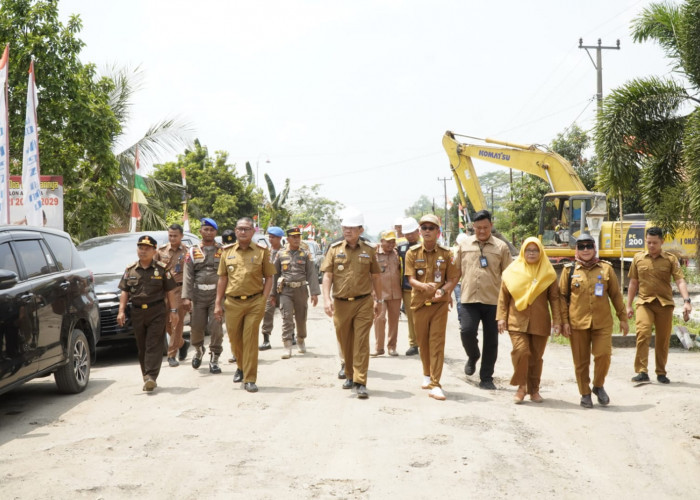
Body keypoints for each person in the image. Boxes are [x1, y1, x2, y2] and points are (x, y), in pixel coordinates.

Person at [559, 233, 629, 408]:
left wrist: (623, 318)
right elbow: (561, 298)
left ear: (594, 248)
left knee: (603, 355)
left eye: (589, 246)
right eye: (581, 246)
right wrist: (564, 322)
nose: (585, 250)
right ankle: (585, 393)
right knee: (581, 361)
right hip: (577, 323)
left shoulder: (606, 269)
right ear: (576, 249)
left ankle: (598, 385)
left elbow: (615, 295)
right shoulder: (569, 271)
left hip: (602, 322)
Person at [321, 209, 382, 399]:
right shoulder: (334, 249)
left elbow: (376, 276)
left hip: (364, 301)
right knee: (345, 341)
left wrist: (378, 300)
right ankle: (349, 374)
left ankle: (360, 380)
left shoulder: (369, 250)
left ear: (360, 230)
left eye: (351, 228)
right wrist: (326, 299)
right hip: (340, 303)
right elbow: (327, 275)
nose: (347, 231)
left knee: (361, 341)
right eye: (345, 227)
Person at [214, 217, 276, 393]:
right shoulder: (226, 252)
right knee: (234, 339)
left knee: (250, 339)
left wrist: (264, 298)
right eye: (240, 229)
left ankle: (250, 378)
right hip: (232, 302)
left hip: (254, 301)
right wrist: (217, 303)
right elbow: (222, 278)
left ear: (253, 231)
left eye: (247, 229)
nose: (243, 232)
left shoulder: (262, 251)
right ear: (235, 230)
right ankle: (240, 366)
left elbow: (269, 276)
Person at [496, 237, 561, 404]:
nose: (532, 253)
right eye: (528, 250)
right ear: (523, 252)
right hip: (516, 319)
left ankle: (534, 390)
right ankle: (521, 387)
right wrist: (501, 318)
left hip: (540, 321)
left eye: (535, 250)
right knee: (521, 351)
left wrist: (558, 320)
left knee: (536, 357)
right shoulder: (512, 272)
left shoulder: (549, 273)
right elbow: (503, 297)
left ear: (541, 252)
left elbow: (554, 299)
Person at [627, 226, 692, 384]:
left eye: (655, 242)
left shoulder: (670, 259)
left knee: (662, 340)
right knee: (643, 333)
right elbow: (633, 282)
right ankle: (642, 371)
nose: (651, 246)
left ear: (662, 242)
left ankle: (661, 372)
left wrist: (686, 301)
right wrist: (628, 305)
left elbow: (680, 281)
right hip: (644, 303)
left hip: (664, 304)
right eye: (648, 242)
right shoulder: (638, 259)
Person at [405, 215, 460, 401]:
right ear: (419, 231)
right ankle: (427, 374)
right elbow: (410, 278)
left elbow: (453, 278)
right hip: (419, 303)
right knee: (423, 342)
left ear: (438, 232)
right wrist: (422, 287)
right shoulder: (412, 253)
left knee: (437, 343)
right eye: (424, 227)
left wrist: (443, 290)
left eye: (431, 227)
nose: (427, 230)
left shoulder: (447, 253)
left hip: (439, 305)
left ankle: (436, 384)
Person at [457, 210, 513, 389]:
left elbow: (509, 275)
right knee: (466, 331)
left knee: (492, 340)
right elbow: (454, 272)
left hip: (493, 301)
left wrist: (509, 302)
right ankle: (473, 356)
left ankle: (486, 378)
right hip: (468, 299)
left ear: (491, 226)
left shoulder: (501, 247)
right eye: (478, 227)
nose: (482, 231)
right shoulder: (464, 245)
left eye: (485, 227)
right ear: (473, 227)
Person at [117, 235, 179, 392]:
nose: (143, 252)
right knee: (142, 346)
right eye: (140, 248)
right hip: (137, 312)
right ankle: (146, 375)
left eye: (146, 249)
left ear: (154, 250)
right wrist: (121, 311)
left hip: (157, 311)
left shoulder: (161, 268)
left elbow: (170, 290)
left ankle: (151, 376)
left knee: (154, 343)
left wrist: (173, 311)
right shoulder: (130, 270)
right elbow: (125, 291)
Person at [182, 217, 224, 373]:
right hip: (198, 295)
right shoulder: (192, 251)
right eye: (205, 229)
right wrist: (186, 297)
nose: (208, 232)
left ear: (215, 232)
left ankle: (215, 357)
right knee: (196, 327)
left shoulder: (223, 251)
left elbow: (227, 275)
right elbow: (187, 275)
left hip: (216, 295)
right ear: (200, 231)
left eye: (211, 230)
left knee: (216, 327)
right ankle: (199, 350)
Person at [272, 227, 321, 359]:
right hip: (285, 290)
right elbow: (274, 275)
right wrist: (272, 295)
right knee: (286, 318)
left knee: (301, 318)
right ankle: (287, 345)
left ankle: (300, 339)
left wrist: (314, 293)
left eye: (298, 236)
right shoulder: (281, 254)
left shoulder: (305, 254)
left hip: (301, 290)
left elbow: (311, 274)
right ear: (287, 239)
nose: (296, 239)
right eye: (293, 237)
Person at [155, 223, 190, 367]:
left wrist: (189, 296)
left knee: (177, 323)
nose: (172, 238)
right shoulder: (160, 251)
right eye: (170, 235)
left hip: (180, 290)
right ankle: (182, 343)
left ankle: (171, 355)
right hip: (163, 291)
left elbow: (191, 275)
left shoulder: (188, 252)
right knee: (164, 323)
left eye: (175, 235)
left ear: (181, 236)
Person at [372, 230, 402, 357]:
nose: (391, 244)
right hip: (380, 293)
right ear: (382, 241)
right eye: (388, 241)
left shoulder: (397, 254)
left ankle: (392, 347)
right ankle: (379, 347)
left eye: (393, 241)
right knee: (379, 318)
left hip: (396, 293)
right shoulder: (374, 254)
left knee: (394, 321)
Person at [397, 217, 421, 355]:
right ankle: (414, 344)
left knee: (423, 317)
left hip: (423, 288)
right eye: (407, 233)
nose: (410, 236)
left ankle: (424, 342)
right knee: (411, 317)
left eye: (412, 232)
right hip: (407, 288)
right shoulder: (401, 247)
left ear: (417, 231)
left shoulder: (426, 245)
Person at [259, 226, 285, 351]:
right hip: (269, 288)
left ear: (280, 238)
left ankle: (291, 335)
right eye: (269, 236)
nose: (270, 239)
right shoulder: (265, 252)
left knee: (287, 313)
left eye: (273, 237)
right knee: (267, 313)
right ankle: (266, 340)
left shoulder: (285, 252)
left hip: (283, 288)